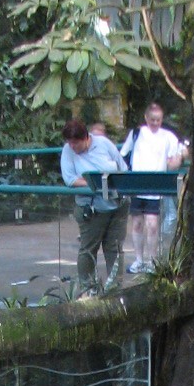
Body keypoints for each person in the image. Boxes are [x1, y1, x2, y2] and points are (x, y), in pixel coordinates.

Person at [60, 118, 129, 293]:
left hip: (116, 205)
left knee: (114, 248)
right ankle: (88, 289)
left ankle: (115, 290)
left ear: (86, 138)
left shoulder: (103, 144)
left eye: (76, 143)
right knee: (89, 249)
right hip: (91, 208)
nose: (72, 147)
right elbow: (70, 179)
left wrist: (108, 184)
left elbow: (122, 168)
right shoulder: (68, 151)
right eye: (70, 143)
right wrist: (96, 183)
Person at [120, 102, 188, 272]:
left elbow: (172, 164)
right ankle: (138, 260)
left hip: (156, 187)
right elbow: (123, 156)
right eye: (152, 119)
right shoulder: (136, 134)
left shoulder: (168, 137)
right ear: (146, 118)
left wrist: (180, 156)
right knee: (137, 223)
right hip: (137, 185)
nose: (155, 123)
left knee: (152, 225)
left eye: (158, 120)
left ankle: (152, 261)